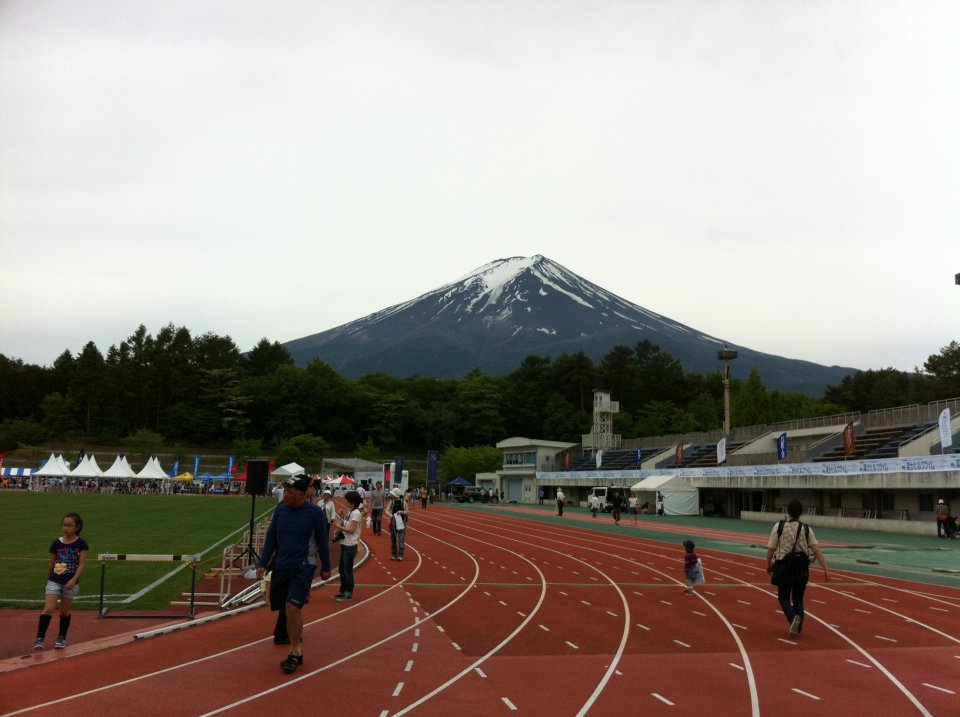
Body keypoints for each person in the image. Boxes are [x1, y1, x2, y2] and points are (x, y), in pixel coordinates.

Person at [255, 474, 332, 675]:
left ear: (301, 494)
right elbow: (272, 538)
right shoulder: (280, 511)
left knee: (292, 607)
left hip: (304, 565)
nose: (285, 494)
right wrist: (262, 563)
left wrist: (326, 567)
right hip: (282, 565)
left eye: (289, 492)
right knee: (284, 606)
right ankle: (292, 643)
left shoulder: (314, 513)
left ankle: (295, 651)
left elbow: (323, 541)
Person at [765, 499, 831, 637]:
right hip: (802, 569)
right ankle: (798, 626)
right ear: (800, 513)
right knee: (798, 598)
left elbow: (771, 549)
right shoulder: (806, 529)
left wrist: (768, 564)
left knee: (783, 596)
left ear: (787, 512)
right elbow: (816, 550)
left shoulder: (779, 527)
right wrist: (826, 568)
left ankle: (792, 617)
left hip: (785, 568)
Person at [35, 512, 88, 650]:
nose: (66, 528)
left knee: (64, 612)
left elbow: (82, 563)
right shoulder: (56, 543)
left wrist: (74, 580)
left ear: (77, 527)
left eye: (70, 525)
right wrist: (50, 577)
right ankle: (40, 638)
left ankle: (62, 636)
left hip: (70, 582)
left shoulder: (81, 544)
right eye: (64, 525)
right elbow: (52, 561)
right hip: (55, 580)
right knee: (48, 609)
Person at [333, 490, 363, 602]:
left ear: (353, 502)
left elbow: (351, 530)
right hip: (345, 544)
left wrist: (338, 526)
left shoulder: (356, 513)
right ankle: (342, 591)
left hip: (350, 545)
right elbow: (346, 524)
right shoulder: (351, 511)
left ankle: (348, 593)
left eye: (347, 500)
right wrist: (341, 517)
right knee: (342, 568)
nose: (345, 502)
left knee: (347, 569)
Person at [387, 487, 409, 560]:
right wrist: (392, 516)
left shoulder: (403, 502)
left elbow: (407, 511)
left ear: (396, 495)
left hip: (402, 522)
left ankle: (400, 555)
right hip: (394, 521)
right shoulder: (392, 502)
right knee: (393, 538)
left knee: (401, 539)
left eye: (393, 494)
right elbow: (386, 510)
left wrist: (401, 512)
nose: (391, 495)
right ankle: (393, 554)